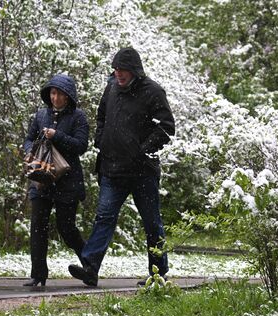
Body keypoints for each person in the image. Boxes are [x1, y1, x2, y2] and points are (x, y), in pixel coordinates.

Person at [68, 47, 175, 287]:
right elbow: (102, 115)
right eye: (116, 69)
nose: (119, 74)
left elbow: (166, 127)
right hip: (112, 168)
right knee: (104, 217)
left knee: (151, 222)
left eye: (123, 70)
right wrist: (100, 139)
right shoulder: (112, 87)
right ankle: (90, 268)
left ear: (135, 71)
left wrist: (143, 149)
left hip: (143, 172)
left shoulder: (153, 92)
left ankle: (158, 273)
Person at [23, 74, 89, 286]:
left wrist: (56, 135)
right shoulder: (41, 115)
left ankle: (90, 266)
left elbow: (81, 145)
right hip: (42, 177)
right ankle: (38, 275)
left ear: (68, 97)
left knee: (66, 228)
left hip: (68, 181)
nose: (55, 97)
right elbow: (29, 138)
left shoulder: (78, 117)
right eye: (52, 92)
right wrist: (28, 152)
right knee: (37, 226)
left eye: (60, 93)